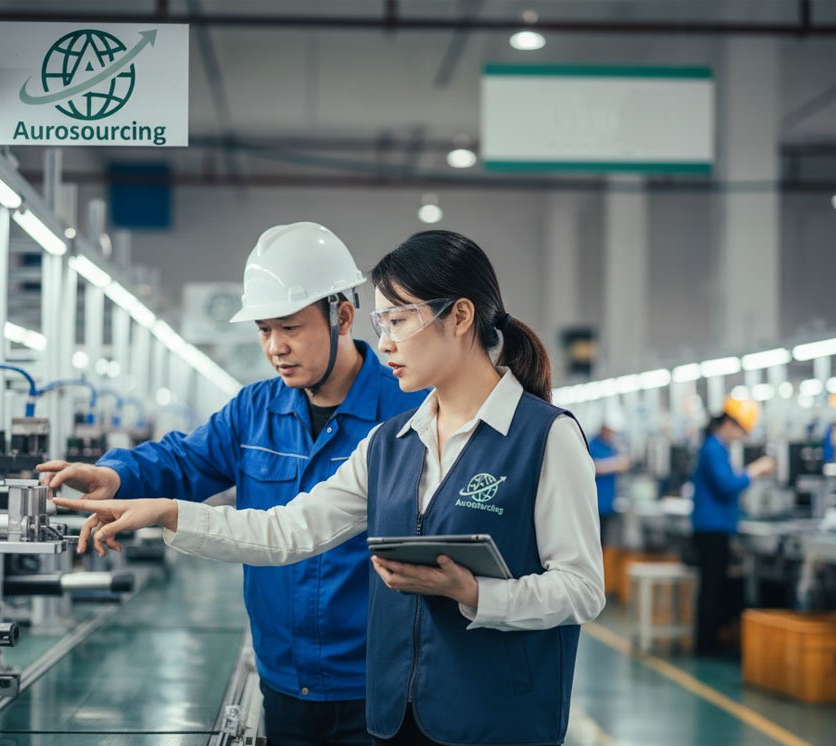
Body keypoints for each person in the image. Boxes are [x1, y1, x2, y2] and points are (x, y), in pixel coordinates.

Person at [53, 230, 606, 746]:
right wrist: (168, 512)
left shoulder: (546, 437)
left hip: (497, 720)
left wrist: (476, 594)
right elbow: (287, 530)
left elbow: (582, 589)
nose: (385, 341)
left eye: (398, 320)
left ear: (460, 316)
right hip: (398, 715)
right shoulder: (392, 442)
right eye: (381, 323)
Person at [38, 222, 426, 746]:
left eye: (289, 327)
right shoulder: (255, 410)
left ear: (343, 316)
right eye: (264, 330)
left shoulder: (407, 412)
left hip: (381, 683)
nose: (275, 348)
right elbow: (184, 460)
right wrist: (116, 473)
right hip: (284, 679)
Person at [691, 397, 775, 656]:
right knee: (712, 588)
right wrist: (754, 471)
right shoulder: (713, 448)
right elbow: (726, 486)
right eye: (741, 431)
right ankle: (706, 645)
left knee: (716, 586)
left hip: (716, 527)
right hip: (711, 528)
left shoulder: (718, 448)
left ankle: (712, 640)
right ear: (729, 423)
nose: (741, 437)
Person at [588, 414, 630, 543]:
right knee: (594, 539)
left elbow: (624, 465)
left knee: (605, 539)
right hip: (595, 502)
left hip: (608, 502)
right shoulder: (591, 445)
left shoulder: (611, 447)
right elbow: (592, 467)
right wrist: (615, 464)